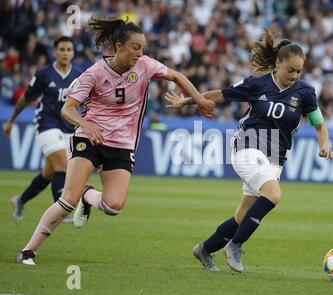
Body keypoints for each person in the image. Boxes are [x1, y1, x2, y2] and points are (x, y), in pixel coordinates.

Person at [15, 15, 215, 265]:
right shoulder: (95, 72)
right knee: (67, 201)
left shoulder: (145, 65)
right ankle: (28, 251)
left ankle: (87, 196)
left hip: (121, 143)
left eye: (142, 48)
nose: (140, 53)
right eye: (135, 47)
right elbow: (67, 109)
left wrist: (199, 99)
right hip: (89, 138)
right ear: (119, 46)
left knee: (114, 206)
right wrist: (86, 124)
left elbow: (176, 76)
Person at [165, 28, 333, 273]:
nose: (295, 75)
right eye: (291, 70)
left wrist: (324, 146)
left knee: (242, 216)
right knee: (273, 194)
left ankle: (204, 249)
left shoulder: (306, 93)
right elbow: (221, 95)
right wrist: (190, 100)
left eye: (299, 71)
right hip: (247, 145)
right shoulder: (257, 84)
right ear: (278, 63)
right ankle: (235, 246)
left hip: (275, 157)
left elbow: (320, 125)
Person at [3, 36, 83, 223]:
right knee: (63, 165)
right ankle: (62, 210)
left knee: (49, 173)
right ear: (55, 52)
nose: (65, 53)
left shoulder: (79, 75)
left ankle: (20, 200)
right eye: (61, 49)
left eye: (68, 50)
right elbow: (26, 97)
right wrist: (11, 120)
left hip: (68, 127)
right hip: (46, 124)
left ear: (73, 53)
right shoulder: (44, 74)